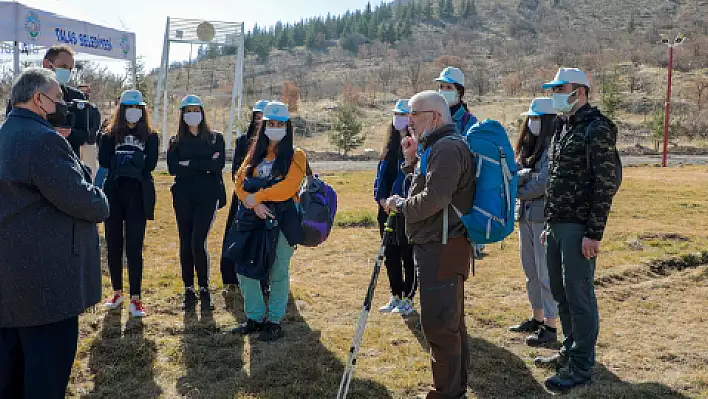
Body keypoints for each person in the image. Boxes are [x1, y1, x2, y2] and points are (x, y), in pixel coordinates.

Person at [0, 68, 109, 398]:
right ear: (38, 99)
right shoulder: (43, 141)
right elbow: (88, 202)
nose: (64, 105)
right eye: (59, 98)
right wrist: (94, 181)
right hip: (45, 291)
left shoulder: (6, 133)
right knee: (44, 382)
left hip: (10, 287)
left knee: (10, 380)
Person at [384, 91, 475, 399]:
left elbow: (434, 199)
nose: (409, 123)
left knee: (439, 325)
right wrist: (411, 164)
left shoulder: (447, 149)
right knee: (450, 323)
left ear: (434, 117)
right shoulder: (437, 147)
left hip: (443, 246)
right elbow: (428, 188)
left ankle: (446, 393)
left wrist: (400, 205)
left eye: (415, 116)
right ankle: (455, 389)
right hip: (440, 244)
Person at [535, 68, 620, 391]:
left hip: (578, 228)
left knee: (579, 295)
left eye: (562, 88)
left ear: (580, 92)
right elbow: (556, 181)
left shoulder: (596, 128)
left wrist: (593, 233)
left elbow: (604, 184)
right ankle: (569, 353)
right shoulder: (563, 127)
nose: (556, 93)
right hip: (557, 225)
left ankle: (582, 366)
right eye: (554, 88)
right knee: (560, 293)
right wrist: (549, 223)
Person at [229, 101, 306, 342]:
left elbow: (288, 187)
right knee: (245, 267)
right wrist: (253, 203)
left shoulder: (297, 155)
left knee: (278, 270)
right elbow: (238, 181)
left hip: (282, 219)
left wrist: (258, 197)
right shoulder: (255, 154)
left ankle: (274, 321)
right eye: (270, 124)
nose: (275, 128)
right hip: (254, 218)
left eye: (279, 124)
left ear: (287, 126)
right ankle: (254, 317)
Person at [99, 89, 159, 318]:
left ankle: (136, 297)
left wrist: (126, 161)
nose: (133, 112)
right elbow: (105, 160)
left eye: (137, 108)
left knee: (134, 246)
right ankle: (117, 292)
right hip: (114, 192)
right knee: (113, 244)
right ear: (121, 109)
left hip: (138, 194)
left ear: (142, 110)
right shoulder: (108, 134)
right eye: (128, 108)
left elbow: (150, 164)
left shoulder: (151, 136)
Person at [167, 95, 227, 312]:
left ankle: (204, 286)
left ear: (202, 112)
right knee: (185, 241)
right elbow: (173, 168)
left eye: (196, 110)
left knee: (198, 241)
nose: (193, 114)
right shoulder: (175, 141)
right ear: (182, 115)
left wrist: (190, 163)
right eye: (188, 110)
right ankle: (188, 288)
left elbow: (218, 165)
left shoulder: (215, 138)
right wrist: (204, 164)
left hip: (208, 196)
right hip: (183, 195)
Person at [508, 98, 559, 347]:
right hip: (525, 216)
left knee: (544, 272)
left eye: (537, 118)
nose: (531, 122)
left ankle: (551, 324)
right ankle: (537, 318)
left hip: (542, 217)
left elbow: (542, 184)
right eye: (531, 118)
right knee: (531, 271)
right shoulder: (526, 147)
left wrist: (519, 185)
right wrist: (525, 177)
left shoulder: (553, 147)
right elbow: (512, 175)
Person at [6, 45, 94, 157]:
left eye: (70, 69)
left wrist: (69, 133)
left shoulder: (76, 96)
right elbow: (12, 128)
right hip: (31, 160)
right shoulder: (24, 94)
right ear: (47, 64)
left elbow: (84, 135)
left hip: (65, 162)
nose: (67, 71)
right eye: (63, 66)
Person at [220, 99, 269, 295]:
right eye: (257, 117)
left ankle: (264, 278)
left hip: (266, 199)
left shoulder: (274, 145)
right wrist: (247, 194)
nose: (259, 121)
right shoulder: (242, 141)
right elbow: (236, 172)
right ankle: (232, 276)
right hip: (242, 198)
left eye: (263, 117)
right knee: (237, 236)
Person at [374, 99, 417, 316]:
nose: (399, 118)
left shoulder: (416, 146)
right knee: (390, 254)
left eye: (404, 114)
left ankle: (408, 297)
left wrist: (399, 202)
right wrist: (381, 199)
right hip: (386, 211)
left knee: (408, 254)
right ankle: (395, 294)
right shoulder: (389, 147)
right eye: (396, 114)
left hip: (405, 210)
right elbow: (380, 178)